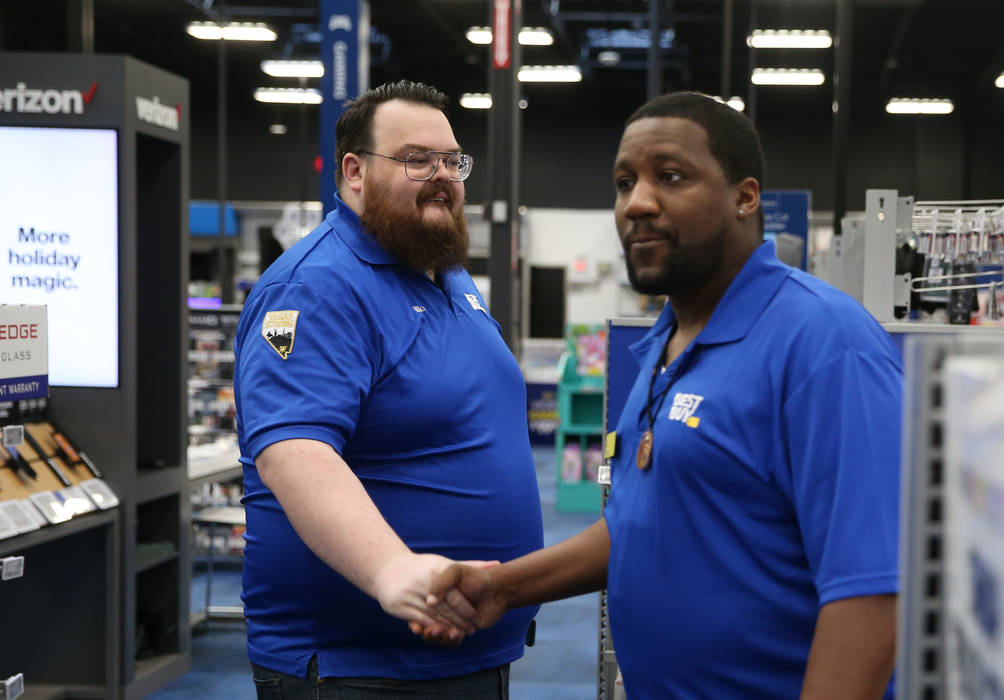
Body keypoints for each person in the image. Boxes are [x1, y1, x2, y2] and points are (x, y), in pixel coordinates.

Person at [422, 91, 902, 699]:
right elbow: (641, 523)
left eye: (670, 177)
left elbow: (873, 591)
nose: (637, 204)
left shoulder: (824, 344)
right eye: (625, 182)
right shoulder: (662, 346)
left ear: (745, 197)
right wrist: (505, 588)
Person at [233, 80, 544, 699]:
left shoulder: (447, 275)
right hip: (359, 670)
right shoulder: (317, 286)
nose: (442, 176)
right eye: (415, 159)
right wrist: (390, 568)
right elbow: (294, 450)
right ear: (353, 172)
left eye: (453, 161)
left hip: (465, 653)